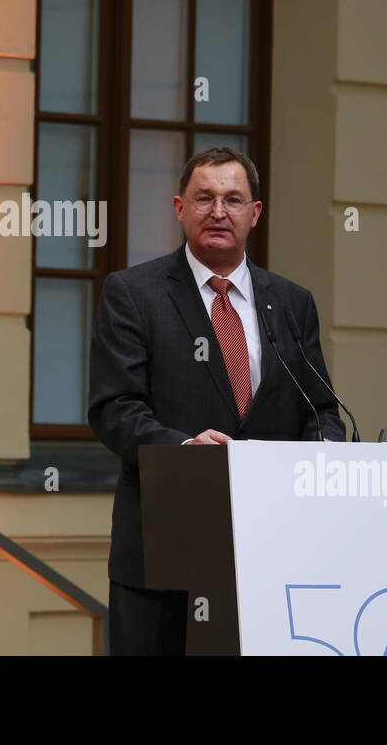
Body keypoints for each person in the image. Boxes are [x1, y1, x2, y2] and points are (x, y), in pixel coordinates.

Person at [87, 146, 345, 655]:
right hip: (163, 549)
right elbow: (114, 408)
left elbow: (320, 409)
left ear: (255, 213)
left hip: (273, 552)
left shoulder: (292, 302)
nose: (219, 211)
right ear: (180, 208)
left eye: (233, 199)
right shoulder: (134, 293)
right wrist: (183, 448)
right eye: (204, 198)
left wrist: (321, 451)